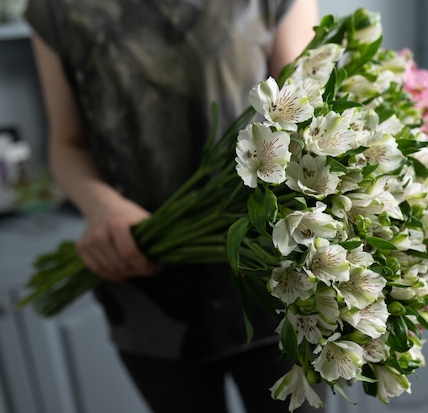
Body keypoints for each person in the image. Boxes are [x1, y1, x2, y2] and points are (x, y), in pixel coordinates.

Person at [24, 0, 325, 412]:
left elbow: (309, 122)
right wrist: (102, 207)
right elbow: (66, 143)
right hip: (142, 276)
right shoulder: (56, 8)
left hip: (273, 278)